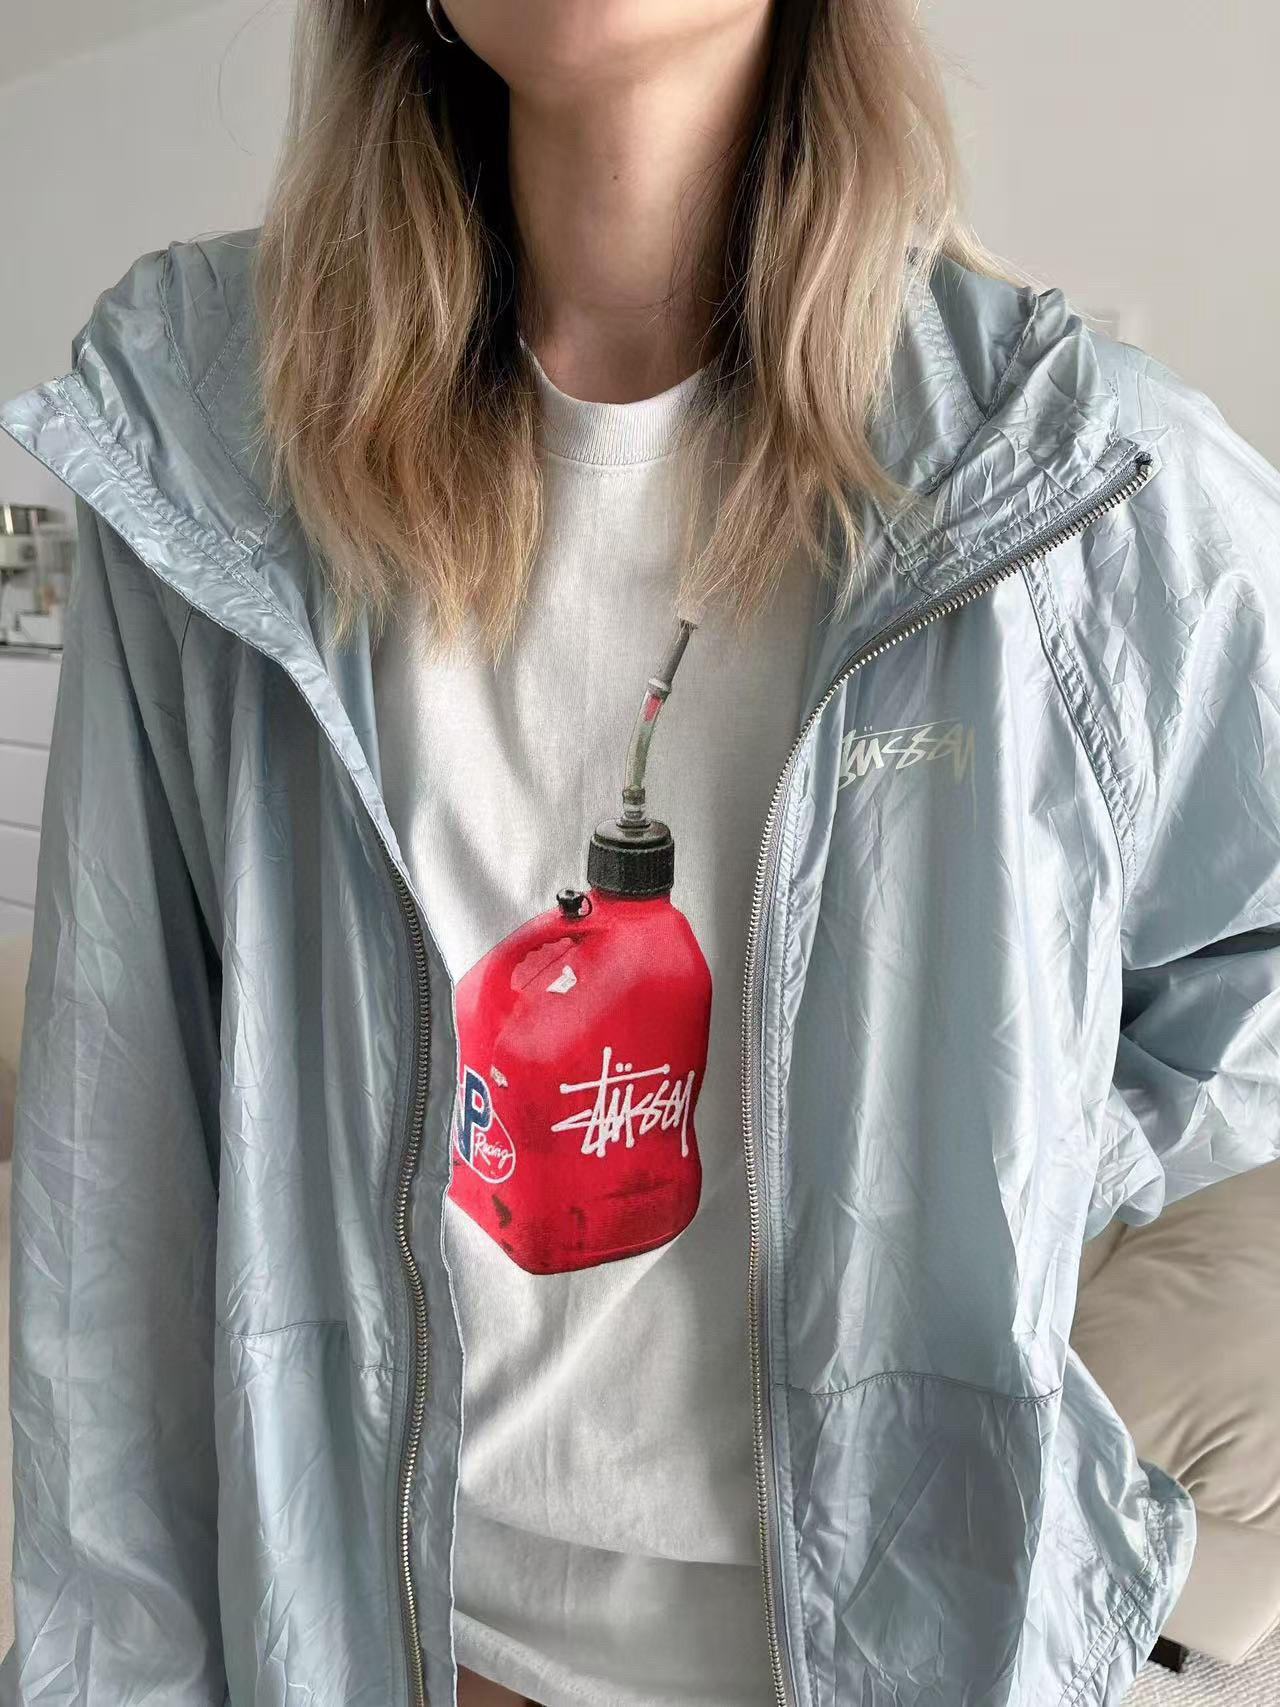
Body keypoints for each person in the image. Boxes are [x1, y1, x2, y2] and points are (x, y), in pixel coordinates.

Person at [1, 1, 1278, 1704]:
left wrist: (1029, 1161)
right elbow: (113, 1171)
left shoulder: (1066, 467)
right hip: (375, 1637)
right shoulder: (213, 438)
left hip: (895, 1650)